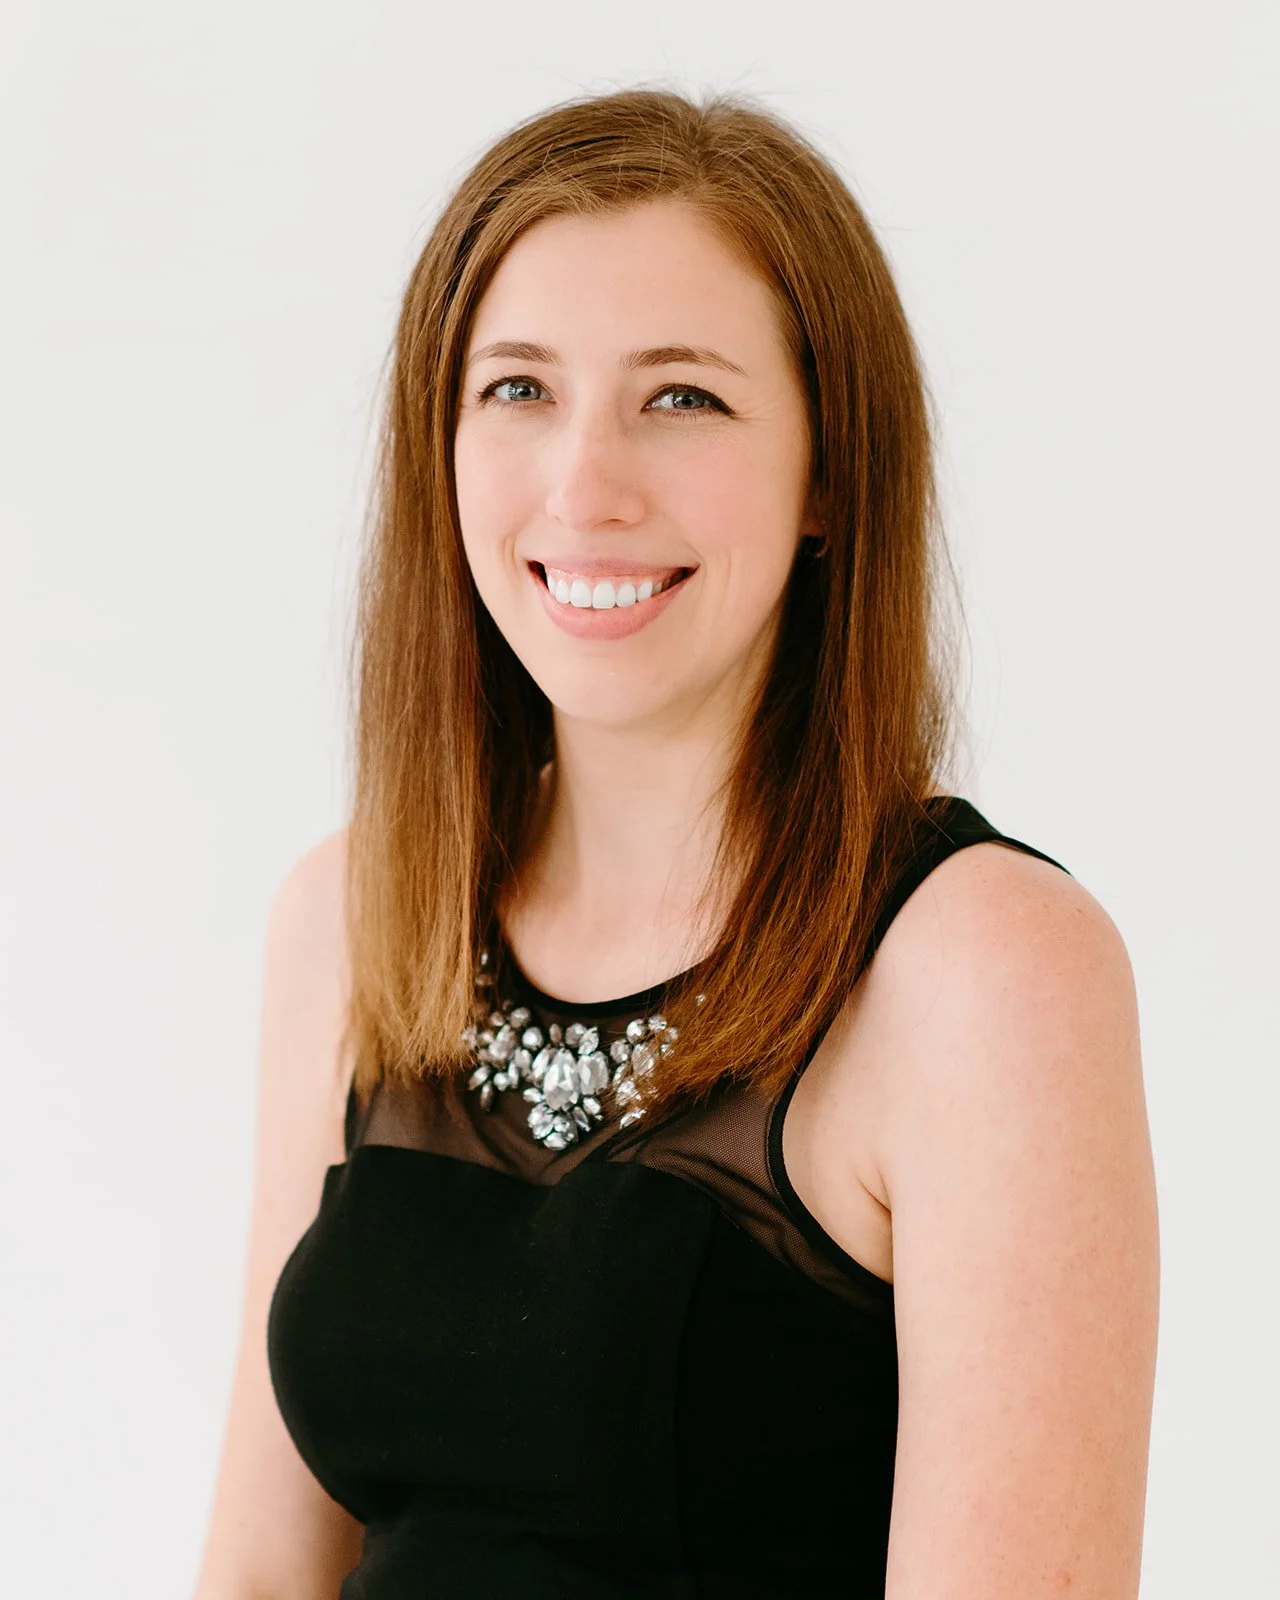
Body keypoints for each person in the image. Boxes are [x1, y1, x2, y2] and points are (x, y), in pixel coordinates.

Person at [192, 87, 1159, 1599]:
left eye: (683, 398)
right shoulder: (356, 912)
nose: (585, 486)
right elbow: (258, 1576)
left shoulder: (983, 970)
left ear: (829, 471)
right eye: (519, 389)